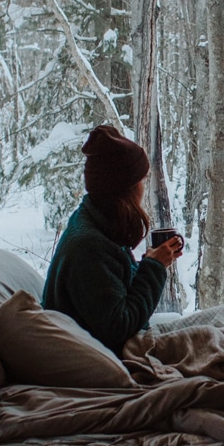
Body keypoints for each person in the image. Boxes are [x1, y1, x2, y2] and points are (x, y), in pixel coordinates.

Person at [42, 125, 183, 355]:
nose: (143, 187)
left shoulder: (94, 222)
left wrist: (147, 264)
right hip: (93, 356)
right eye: (141, 179)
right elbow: (119, 326)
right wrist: (154, 268)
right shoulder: (90, 248)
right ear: (124, 188)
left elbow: (110, 291)